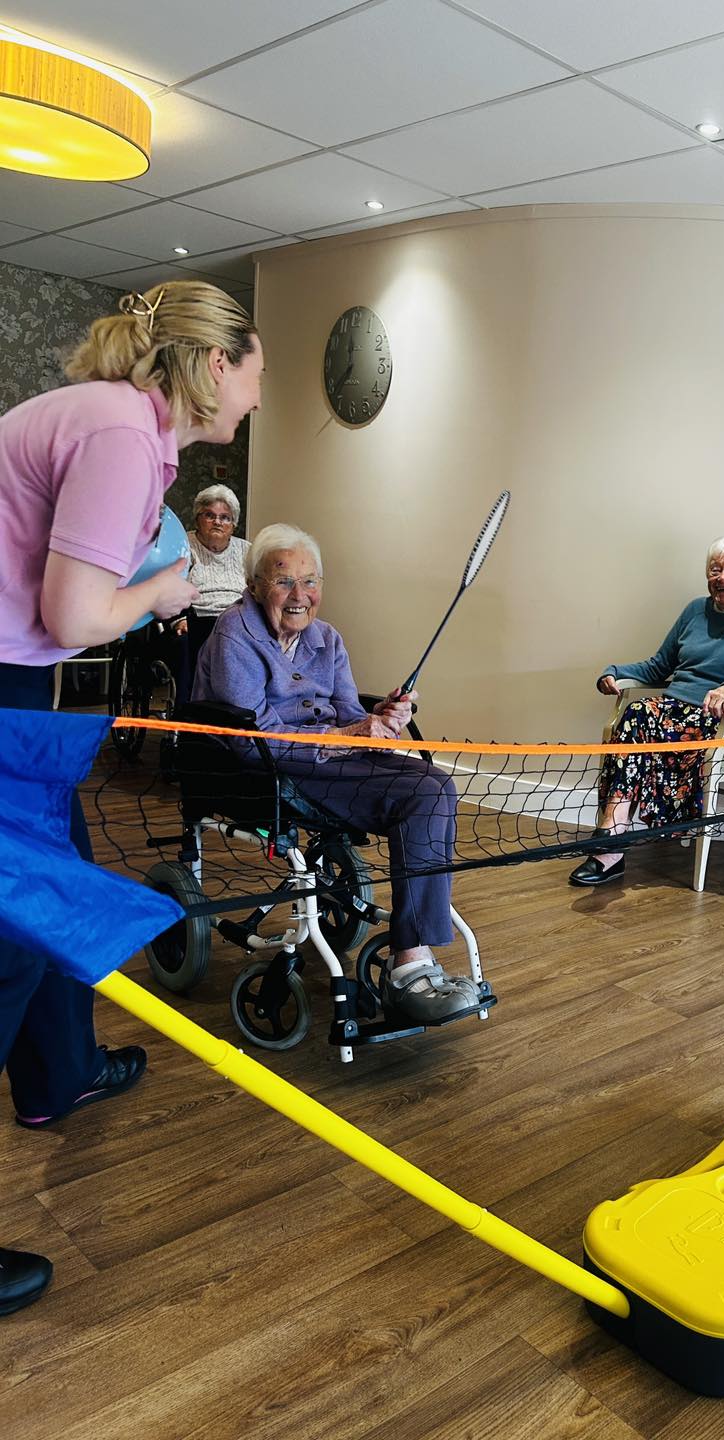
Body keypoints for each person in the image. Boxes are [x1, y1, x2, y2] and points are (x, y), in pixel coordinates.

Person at [0, 279, 263, 1316]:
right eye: (257, 376)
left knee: (55, 881)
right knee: (15, 938)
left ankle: (60, 1074)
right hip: (4, 685)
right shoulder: (116, 431)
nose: (257, 400)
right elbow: (73, 615)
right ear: (214, 365)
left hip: (15, 688)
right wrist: (161, 593)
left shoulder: (119, 425)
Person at [192, 522, 481, 1027]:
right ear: (255, 586)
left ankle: (413, 952)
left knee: (435, 783)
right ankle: (409, 966)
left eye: (310, 581)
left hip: (332, 760)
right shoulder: (233, 635)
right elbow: (252, 739)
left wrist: (381, 717)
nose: (299, 595)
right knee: (423, 794)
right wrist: (348, 735)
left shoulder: (327, 638)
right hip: (267, 768)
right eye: (284, 581)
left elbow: (349, 713)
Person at [569, 537, 724, 887]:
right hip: (675, 712)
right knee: (637, 713)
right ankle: (613, 834)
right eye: (715, 569)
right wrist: (615, 673)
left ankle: (609, 846)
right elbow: (658, 666)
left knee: (648, 725)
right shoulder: (694, 611)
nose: (722, 577)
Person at [167, 484, 251, 706]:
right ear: (197, 519)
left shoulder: (247, 550)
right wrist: (179, 619)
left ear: (233, 524)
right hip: (196, 621)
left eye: (225, 518)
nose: (217, 522)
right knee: (185, 644)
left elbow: (257, 589)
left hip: (238, 621)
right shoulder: (183, 545)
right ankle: (188, 713)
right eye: (210, 515)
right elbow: (170, 585)